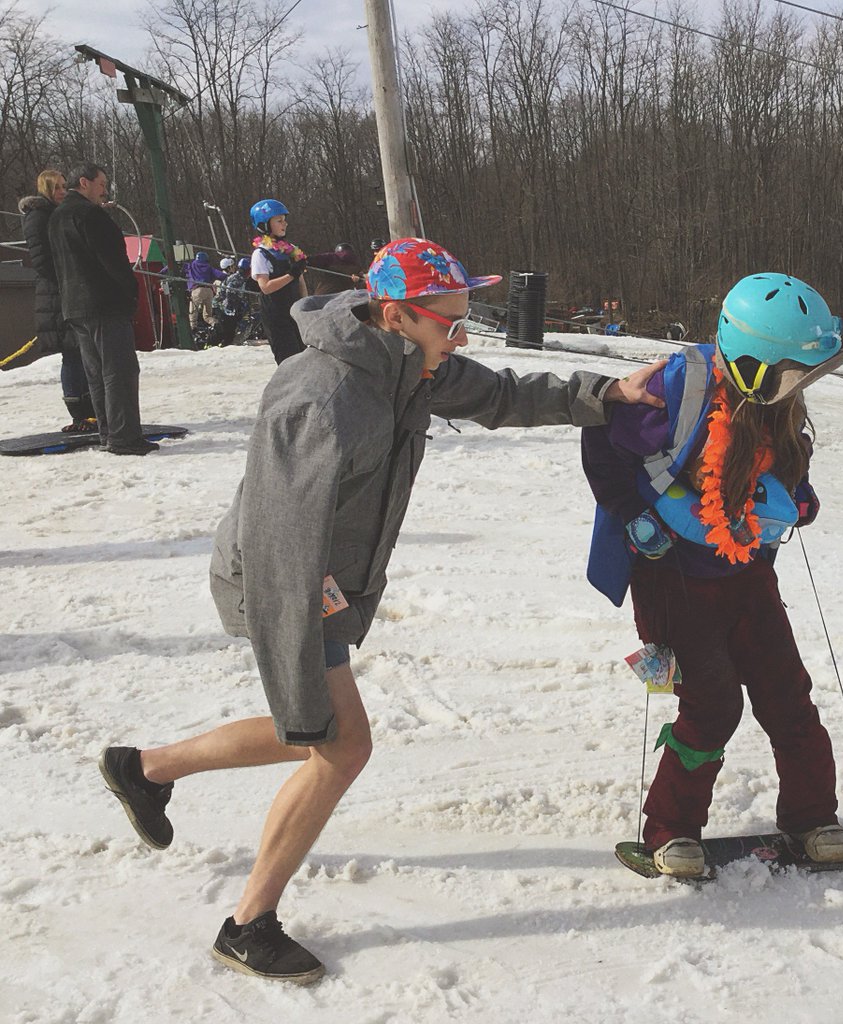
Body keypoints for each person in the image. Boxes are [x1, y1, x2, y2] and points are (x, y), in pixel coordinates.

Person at [98, 237, 665, 984]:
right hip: (283, 584)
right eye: (449, 325)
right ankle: (247, 926)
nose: (461, 339)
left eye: (464, 322)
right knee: (338, 745)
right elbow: (277, 543)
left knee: (315, 733)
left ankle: (144, 769)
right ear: (395, 316)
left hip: (323, 578)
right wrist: (300, 659)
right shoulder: (320, 398)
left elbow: (500, 395)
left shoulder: (407, 367)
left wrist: (607, 393)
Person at [580, 273, 843, 878]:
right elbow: (602, 439)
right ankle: (671, 830)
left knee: (788, 695)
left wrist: (798, 497)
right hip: (673, 576)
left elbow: (782, 465)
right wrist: (632, 515)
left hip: (747, 572)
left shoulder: (779, 403)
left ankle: (812, 819)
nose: (799, 387)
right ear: (752, 363)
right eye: (792, 373)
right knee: (712, 704)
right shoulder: (679, 391)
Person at [48, 162, 155, 456]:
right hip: (105, 303)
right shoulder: (91, 215)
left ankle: (108, 432)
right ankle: (125, 437)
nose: (104, 191)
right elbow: (113, 260)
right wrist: (130, 294)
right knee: (119, 371)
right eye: (101, 184)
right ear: (84, 182)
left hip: (74, 305)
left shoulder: (56, 217)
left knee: (96, 374)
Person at [18, 169, 97, 431]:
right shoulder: (39, 217)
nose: (63, 191)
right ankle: (80, 413)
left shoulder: (59, 214)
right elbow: (42, 260)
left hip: (69, 288)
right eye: (58, 187)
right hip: (57, 293)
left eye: (64, 186)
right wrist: (69, 277)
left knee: (82, 351)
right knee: (72, 353)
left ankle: (92, 411)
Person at [249, 199, 307, 363]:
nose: (285, 224)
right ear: (265, 225)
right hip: (276, 314)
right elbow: (265, 287)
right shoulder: (261, 254)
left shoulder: (291, 249)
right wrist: (291, 275)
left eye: (284, 220)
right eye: (279, 221)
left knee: (305, 357)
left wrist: (306, 303)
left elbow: (300, 281)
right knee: (289, 359)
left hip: (294, 310)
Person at [208, 257, 255, 347]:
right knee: (225, 330)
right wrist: (235, 308)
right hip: (224, 308)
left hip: (230, 308)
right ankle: (212, 344)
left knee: (230, 332)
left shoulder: (243, 278)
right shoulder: (237, 278)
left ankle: (227, 345)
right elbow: (230, 293)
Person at [185, 251, 225, 333]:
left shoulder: (191, 265)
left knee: (193, 312)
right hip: (209, 291)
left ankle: (193, 329)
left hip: (197, 290)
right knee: (207, 316)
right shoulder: (209, 267)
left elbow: (173, 267)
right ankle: (215, 323)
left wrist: (161, 273)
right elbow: (221, 275)